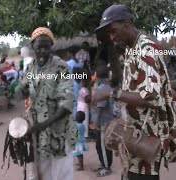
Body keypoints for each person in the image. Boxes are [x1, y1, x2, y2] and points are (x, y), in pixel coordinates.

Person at [94, 5, 176, 180]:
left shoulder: (145, 49)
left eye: (114, 31)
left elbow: (151, 98)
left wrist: (110, 94)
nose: (112, 37)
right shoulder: (132, 49)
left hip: (146, 138)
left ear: (126, 24)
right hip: (136, 135)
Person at [17, 27, 77, 180]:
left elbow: (67, 103)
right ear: (32, 47)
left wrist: (45, 124)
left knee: (62, 175)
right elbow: (22, 91)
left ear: (51, 46)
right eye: (39, 47)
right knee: (43, 175)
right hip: (40, 136)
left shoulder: (60, 66)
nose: (43, 51)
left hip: (60, 132)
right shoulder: (30, 68)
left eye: (46, 47)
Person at [90, 63, 114, 177]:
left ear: (98, 75)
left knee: (103, 145)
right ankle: (103, 164)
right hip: (104, 121)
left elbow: (100, 107)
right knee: (100, 145)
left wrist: (95, 122)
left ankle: (106, 167)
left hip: (103, 122)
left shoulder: (102, 88)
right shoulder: (106, 86)